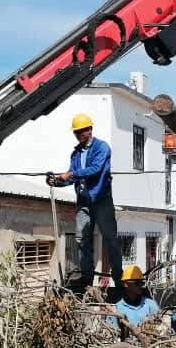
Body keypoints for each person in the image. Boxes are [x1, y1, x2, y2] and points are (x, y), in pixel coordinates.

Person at [47, 113, 122, 290]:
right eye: (76, 132)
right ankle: (86, 279)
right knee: (82, 239)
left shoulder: (102, 148)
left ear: (90, 129)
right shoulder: (75, 154)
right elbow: (72, 177)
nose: (79, 134)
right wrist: (57, 181)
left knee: (110, 238)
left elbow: (95, 169)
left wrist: (71, 174)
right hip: (84, 201)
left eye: (82, 130)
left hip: (102, 200)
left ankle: (119, 279)